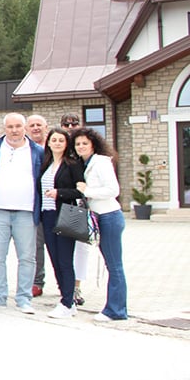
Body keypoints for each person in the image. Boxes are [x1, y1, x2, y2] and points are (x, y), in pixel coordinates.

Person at [0, 113, 43, 314]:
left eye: (18, 126)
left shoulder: (37, 151)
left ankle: (24, 298)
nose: (14, 130)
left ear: (24, 127)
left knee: (27, 257)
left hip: (26, 211)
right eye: (10, 127)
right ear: (4, 128)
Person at [73, 128, 128, 321]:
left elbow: (113, 189)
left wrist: (88, 190)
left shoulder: (101, 162)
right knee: (111, 263)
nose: (81, 147)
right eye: (78, 144)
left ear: (93, 145)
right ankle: (114, 308)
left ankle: (116, 311)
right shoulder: (84, 163)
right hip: (98, 217)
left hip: (109, 216)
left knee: (114, 265)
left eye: (84, 143)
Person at [39, 127, 85, 319]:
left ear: (66, 144)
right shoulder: (46, 163)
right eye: (54, 140)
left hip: (66, 213)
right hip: (47, 215)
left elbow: (81, 191)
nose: (57, 143)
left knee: (65, 260)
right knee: (55, 260)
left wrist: (60, 193)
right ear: (48, 142)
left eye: (61, 140)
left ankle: (67, 302)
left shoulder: (72, 164)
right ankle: (67, 300)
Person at [61, 113, 88, 305]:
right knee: (62, 252)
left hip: (78, 207)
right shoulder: (62, 151)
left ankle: (76, 287)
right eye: (66, 124)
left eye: (74, 123)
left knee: (80, 249)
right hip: (61, 205)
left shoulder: (84, 153)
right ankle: (66, 286)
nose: (70, 126)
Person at [27, 114, 50, 298]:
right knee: (36, 246)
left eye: (39, 125)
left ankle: (68, 284)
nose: (36, 128)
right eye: (32, 125)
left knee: (61, 247)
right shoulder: (25, 149)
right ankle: (36, 282)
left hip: (55, 205)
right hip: (34, 204)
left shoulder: (54, 148)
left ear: (46, 127)